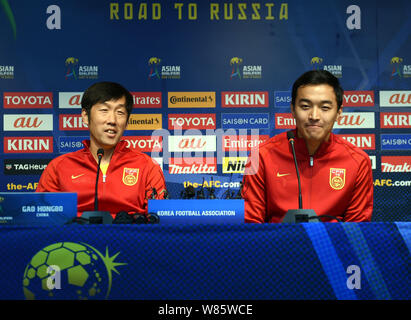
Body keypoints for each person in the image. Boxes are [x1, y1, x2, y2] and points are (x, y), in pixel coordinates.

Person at [242, 70, 373, 222]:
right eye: (305, 106)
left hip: (332, 245)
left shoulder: (358, 161)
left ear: (339, 112)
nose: (314, 116)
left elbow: (357, 231)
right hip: (278, 244)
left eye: (325, 108)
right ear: (292, 109)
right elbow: (251, 225)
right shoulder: (262, 156)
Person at [36, 81, 166, 218]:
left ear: (127, 122)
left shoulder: (147, 167)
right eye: (104, 110)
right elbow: (42, 218)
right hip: (74, 238)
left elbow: (159, 221)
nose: (112, 120)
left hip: (130, 237)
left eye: (120, 112)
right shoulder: (58, 167)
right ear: (85, 116)